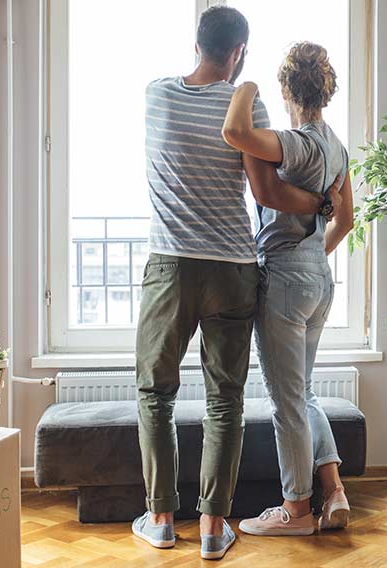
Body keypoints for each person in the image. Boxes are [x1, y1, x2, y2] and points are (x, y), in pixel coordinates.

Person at [131, 7, 339, 560]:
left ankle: (159, 519)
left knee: (156, 393)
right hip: (233, 268)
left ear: (196, 42)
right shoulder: (248, 106)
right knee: (225, 399)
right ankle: (212, 529)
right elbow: (267, 193)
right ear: (239, 51)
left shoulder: (155, 95)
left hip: (172, 266)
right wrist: (321, 205)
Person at [221, 41, 355, 537]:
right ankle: (334, 491)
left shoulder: (297, 142)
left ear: (286, 88)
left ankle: (296, 511)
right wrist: (314, 257)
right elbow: (347, 217)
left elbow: (235, 131)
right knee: (304, 391)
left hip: (284, 277)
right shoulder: (338, 146)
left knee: (286, 402)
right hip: (319, 280)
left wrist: (247, 84)